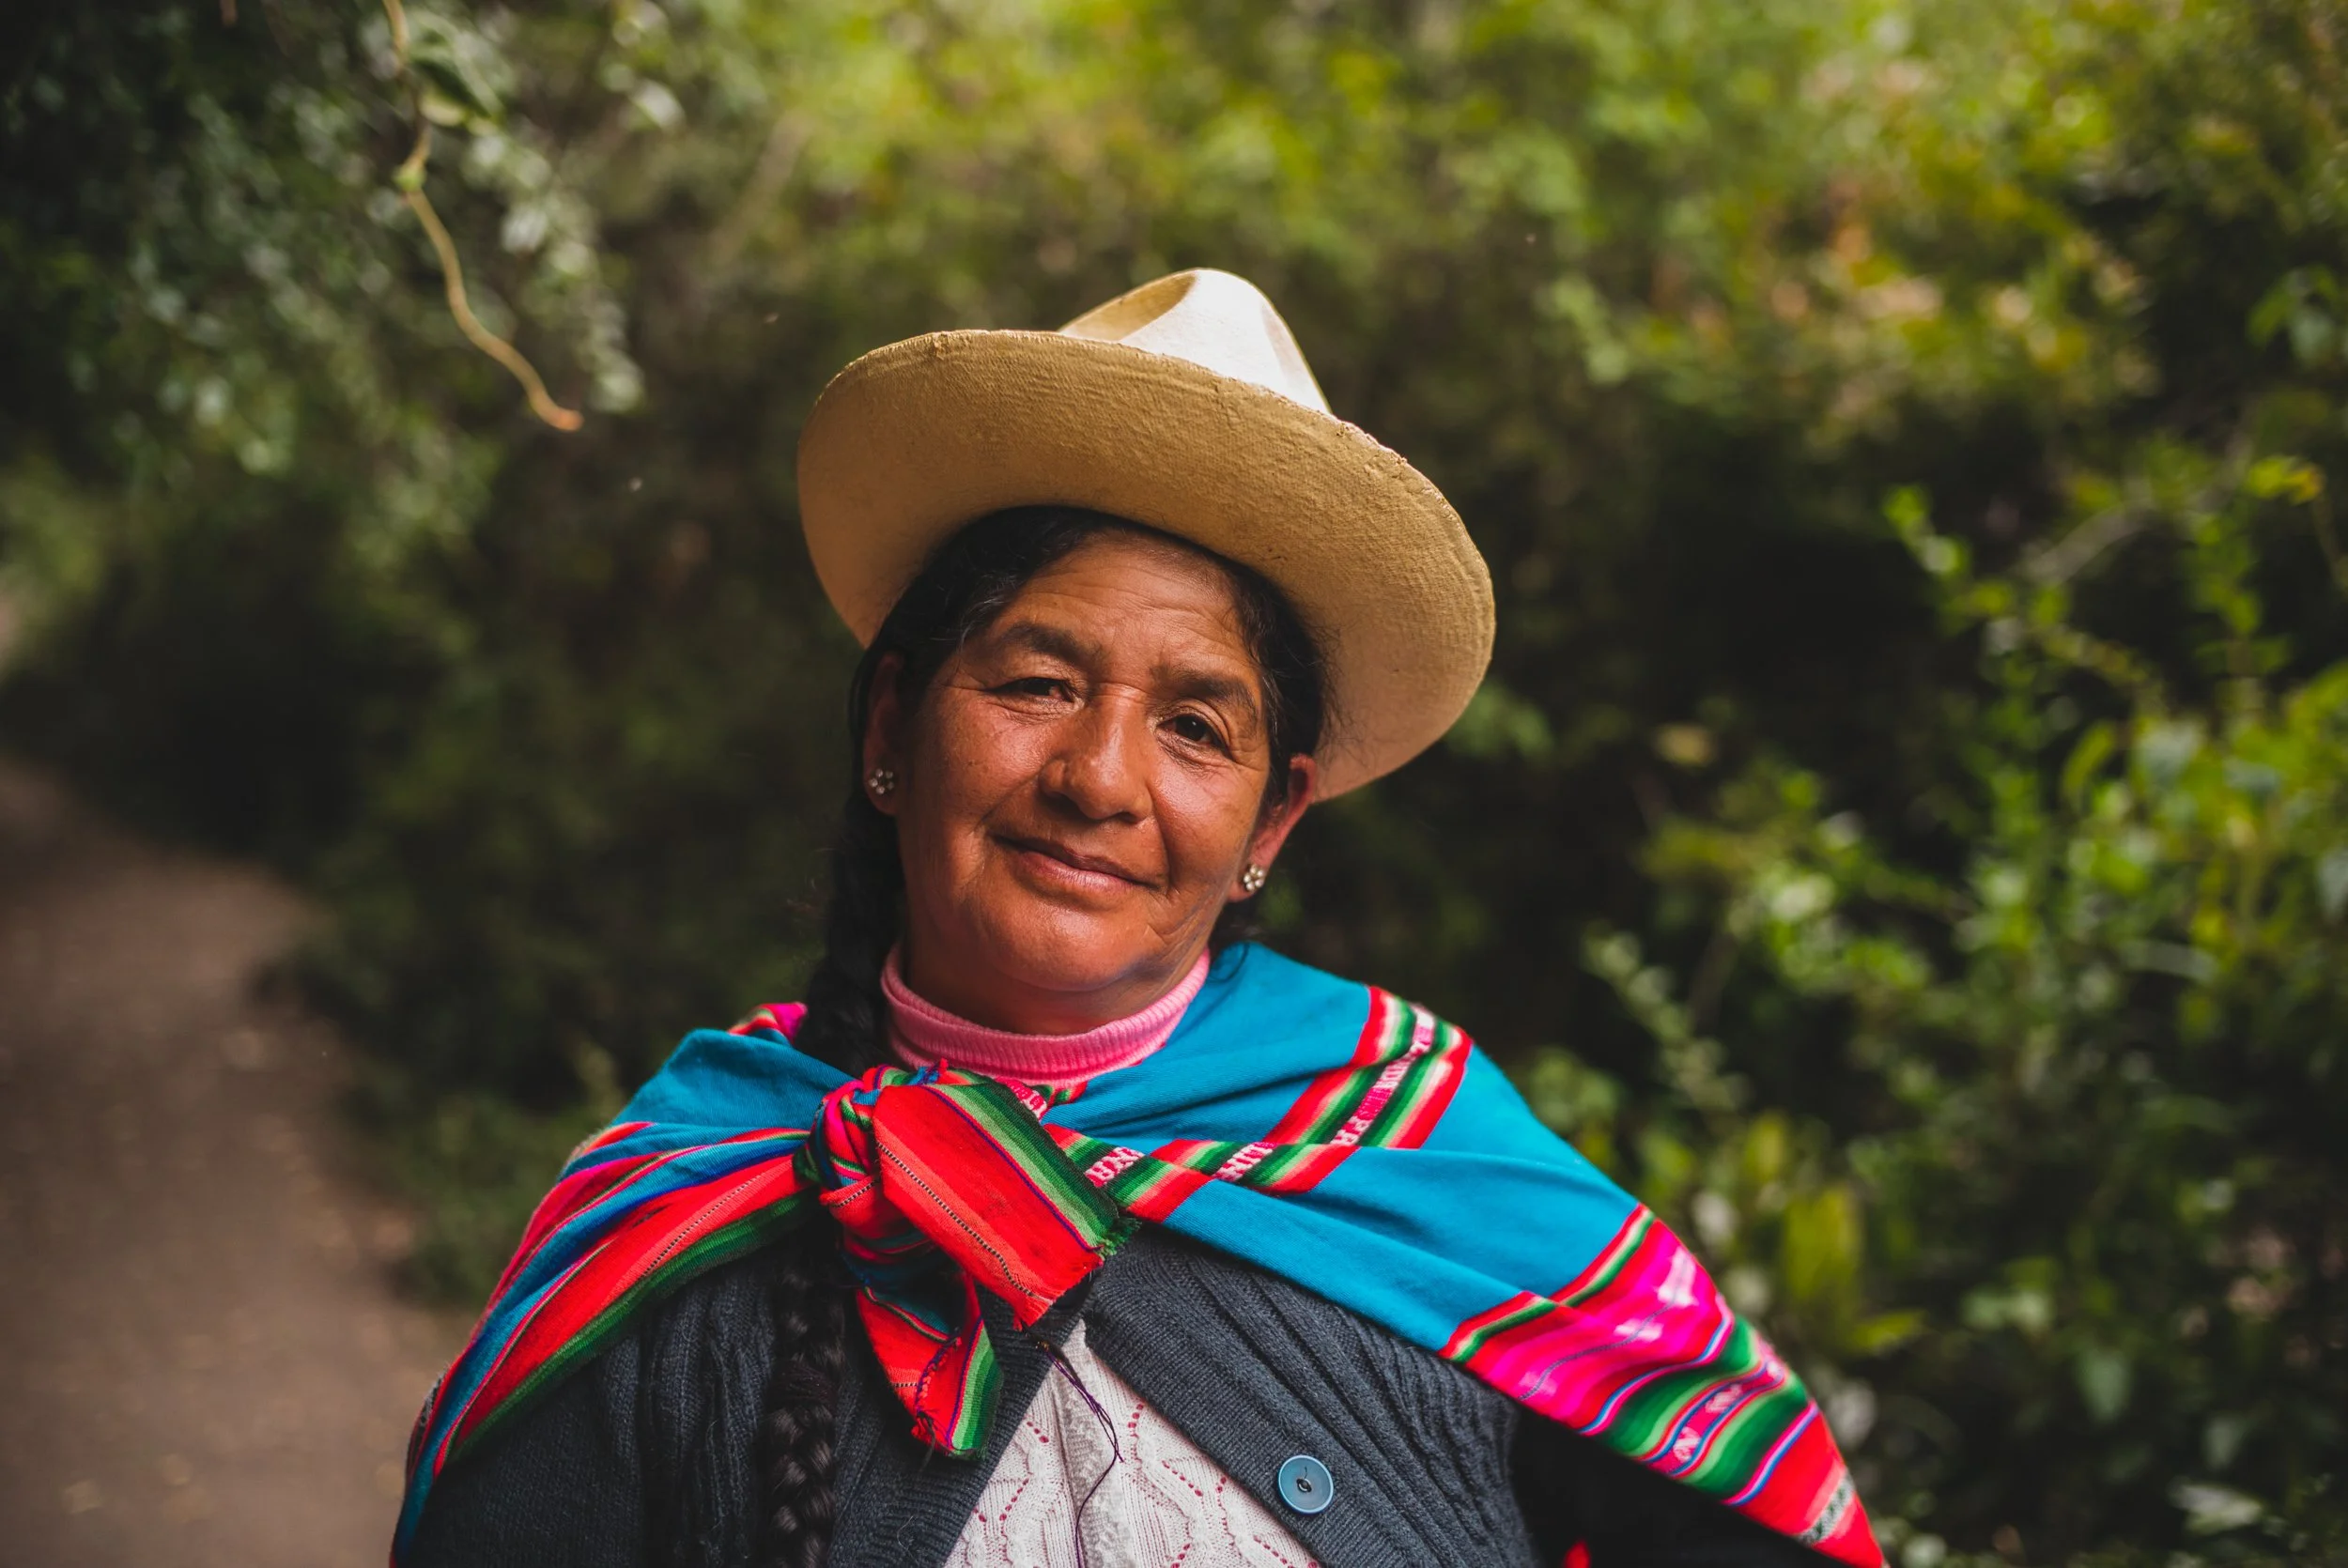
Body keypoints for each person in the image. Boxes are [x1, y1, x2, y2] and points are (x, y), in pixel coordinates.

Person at [393, 269, 1880, 1568]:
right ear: (894, 725)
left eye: (1195, 726)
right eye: (1038, 681)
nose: (1100, 777)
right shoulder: (690, 1204)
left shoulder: (1422, 1161)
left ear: (1271, 822)